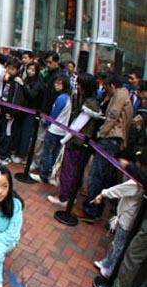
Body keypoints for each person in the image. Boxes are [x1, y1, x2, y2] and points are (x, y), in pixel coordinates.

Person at [79, 74, 133, 222]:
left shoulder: (119, 95)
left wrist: (101, 134)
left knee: (97, 175)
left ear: (112, 86)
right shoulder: (123, 95)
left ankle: (91, 210)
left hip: (109, 140)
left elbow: (112, 117)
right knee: (102, 175)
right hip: (113, 140)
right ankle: (94, 209)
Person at [48, 73, 103, 208]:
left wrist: (65, 140)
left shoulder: (89, 104)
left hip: (76, 142)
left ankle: (63, 197)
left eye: (79, 84)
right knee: (72, 169)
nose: (77, 87)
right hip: (79, 142)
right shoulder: (89, 102)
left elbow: (77, 126)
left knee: (68, 169)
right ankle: (68, 195)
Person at [91, 148, 145, 278]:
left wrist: (103, 193)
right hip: (126, 217)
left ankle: (110, 270)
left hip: (126, 219)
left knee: (119, 246)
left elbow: (118, 190)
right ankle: (106, 263)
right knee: (116, 243)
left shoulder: (136, 183)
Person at [30, 75, 72, 183]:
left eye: (59, 83)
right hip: (61, 130)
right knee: (54, 153)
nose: (56, 85)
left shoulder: (61, 98)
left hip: (54, 129)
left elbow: (54, 113)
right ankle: (49, 174)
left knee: (47, 152)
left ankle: (44, 174)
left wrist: (46, 121)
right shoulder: (68, 98)